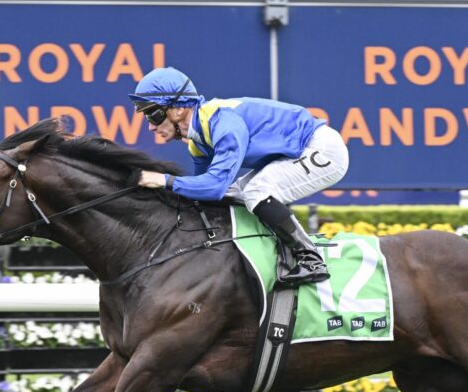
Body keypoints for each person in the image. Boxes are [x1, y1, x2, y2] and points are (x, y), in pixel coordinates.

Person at [129, 67, 349, 286]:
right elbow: (204, 194)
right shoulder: (198, 144)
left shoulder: (223, 123)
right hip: (296, 152)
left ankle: (311, 259)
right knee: (234, 194)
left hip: (322, 148)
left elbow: (214, 186)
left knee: (256, 191)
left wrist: (164, 180)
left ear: (178, 109)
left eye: (153, 115)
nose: (150, 127)